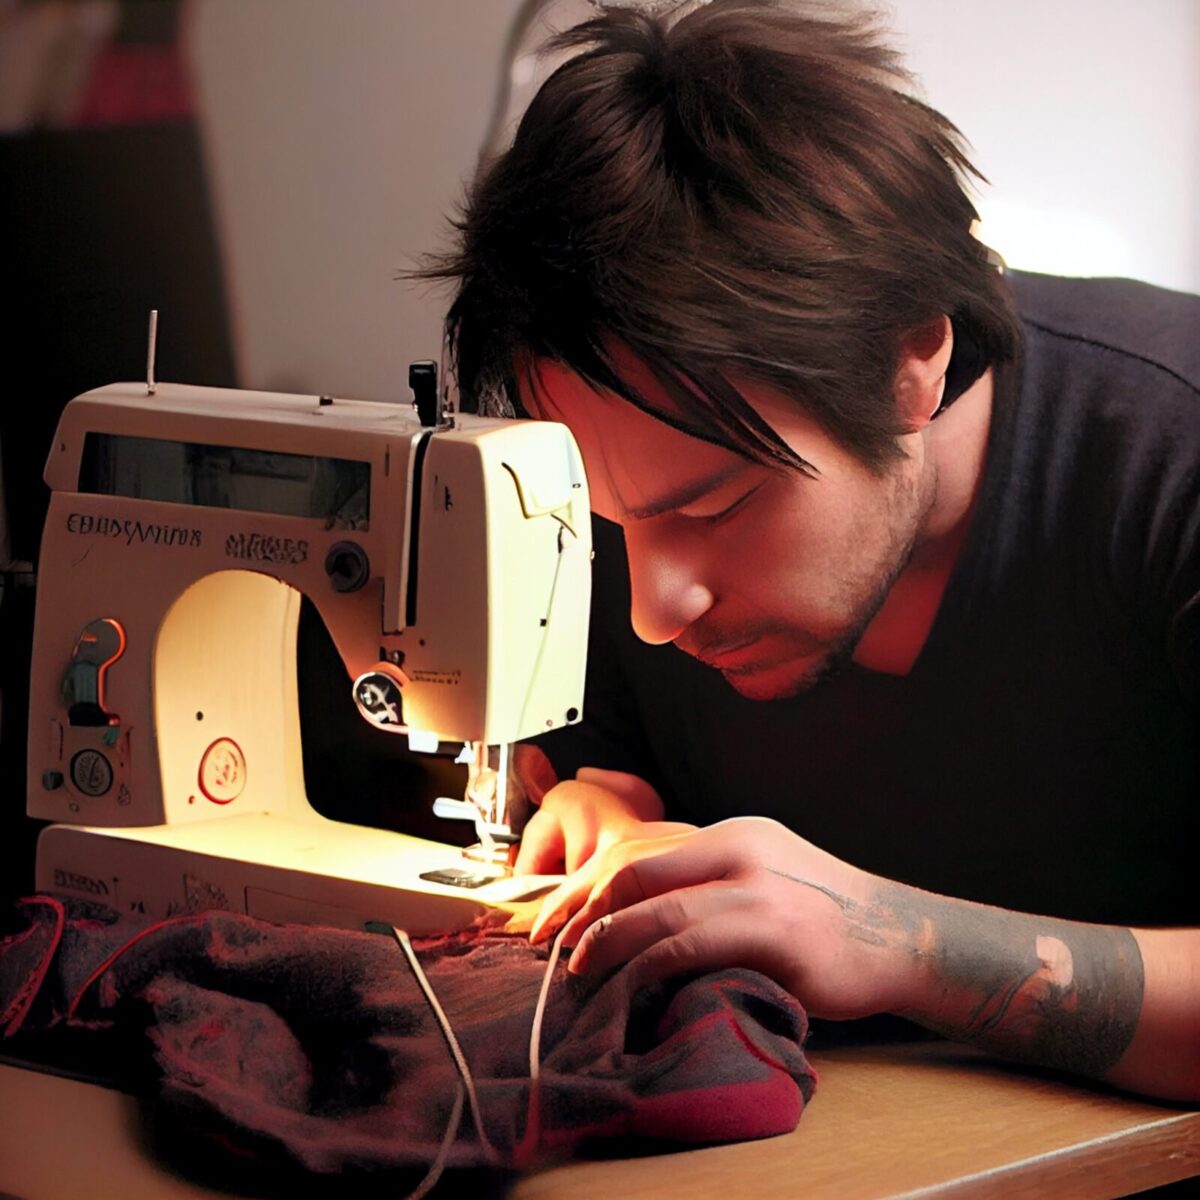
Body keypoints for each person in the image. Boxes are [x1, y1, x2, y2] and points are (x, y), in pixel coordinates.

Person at [428, 0, 1199, 1101]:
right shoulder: (617, 471)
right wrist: (607, 810)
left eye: (716, 508)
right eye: (608, 522)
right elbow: (602, 778)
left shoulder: (1169, 462)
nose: (653, 610)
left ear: (913, 363)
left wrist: (893, 940)